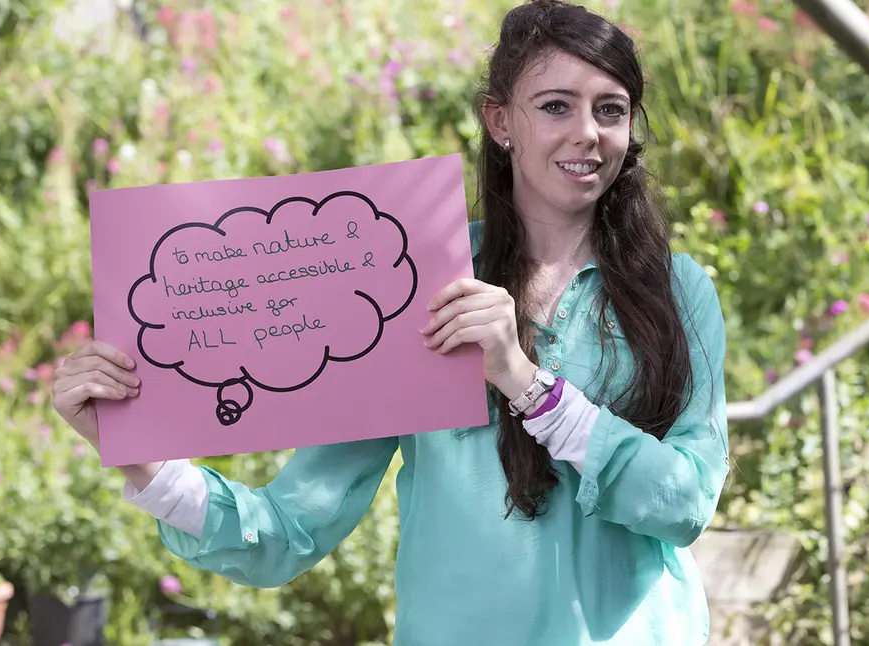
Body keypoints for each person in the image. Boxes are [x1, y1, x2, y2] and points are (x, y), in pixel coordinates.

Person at [50, 1, 730, 643]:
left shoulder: (676, 290)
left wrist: (528, 385)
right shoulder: (411, 281)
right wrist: (143, 461)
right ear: (500, 121)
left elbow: (684, 504)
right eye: (556, 105)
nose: (587, 131)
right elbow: (291, 530)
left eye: (609, 110)